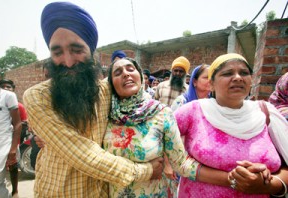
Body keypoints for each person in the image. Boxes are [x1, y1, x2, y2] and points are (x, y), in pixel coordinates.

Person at [22, 2, 163, 197]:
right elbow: (82, 154)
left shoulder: (107, 90)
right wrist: (145, 171)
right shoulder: (37, 97)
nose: (68, 61)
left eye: (76, 50)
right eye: (57, 52)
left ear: (92, 52)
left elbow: (143, 111)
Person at [174, 53, 288, 197]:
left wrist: (268, 184)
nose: (238, 77)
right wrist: (230, 179)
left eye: (244, 73)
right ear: (211, 84)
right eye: (228, 73)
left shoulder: (266, 113)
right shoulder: (193, 110)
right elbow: (161, 144)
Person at [0, 62, 22, 198]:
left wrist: (13, 150)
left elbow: (18, 124)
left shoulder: (8, 96)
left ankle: (13, 193)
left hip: (1, 145)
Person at [0, 79, 28, 198]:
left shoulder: (18, 106)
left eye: (8, 87)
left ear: (13, 90)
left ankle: (15, 191)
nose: (6, 89)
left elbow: (24, 122)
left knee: (13, 165)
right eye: (2, 87)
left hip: (12, 141)